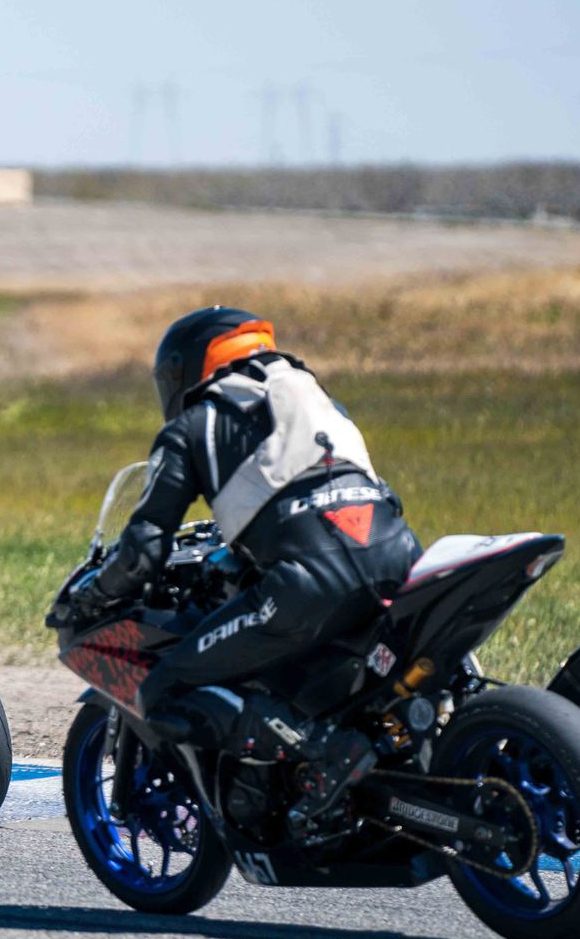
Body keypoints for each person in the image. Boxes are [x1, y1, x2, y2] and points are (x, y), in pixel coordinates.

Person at [68, 306, 422, 822]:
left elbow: (144, 550)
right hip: (402, 561)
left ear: (189, 369)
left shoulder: (194, 425)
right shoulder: (318, 400)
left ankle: (325, 754)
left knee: (163, 688)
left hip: (305, 587)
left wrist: (94, 592)